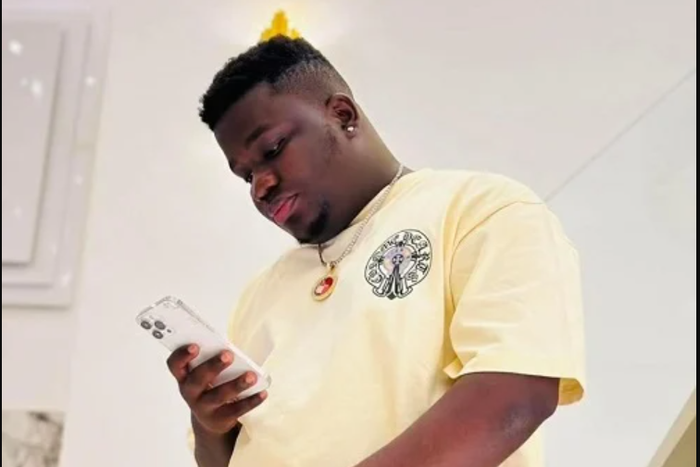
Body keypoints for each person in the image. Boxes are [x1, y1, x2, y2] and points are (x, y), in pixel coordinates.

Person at [166, 36, 586, 467]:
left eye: (272, 151)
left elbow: (513, 397)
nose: (260, 187)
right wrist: (210, 426)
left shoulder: (479, 209)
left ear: (342, 115)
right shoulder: (259, 294)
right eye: (246, 176)